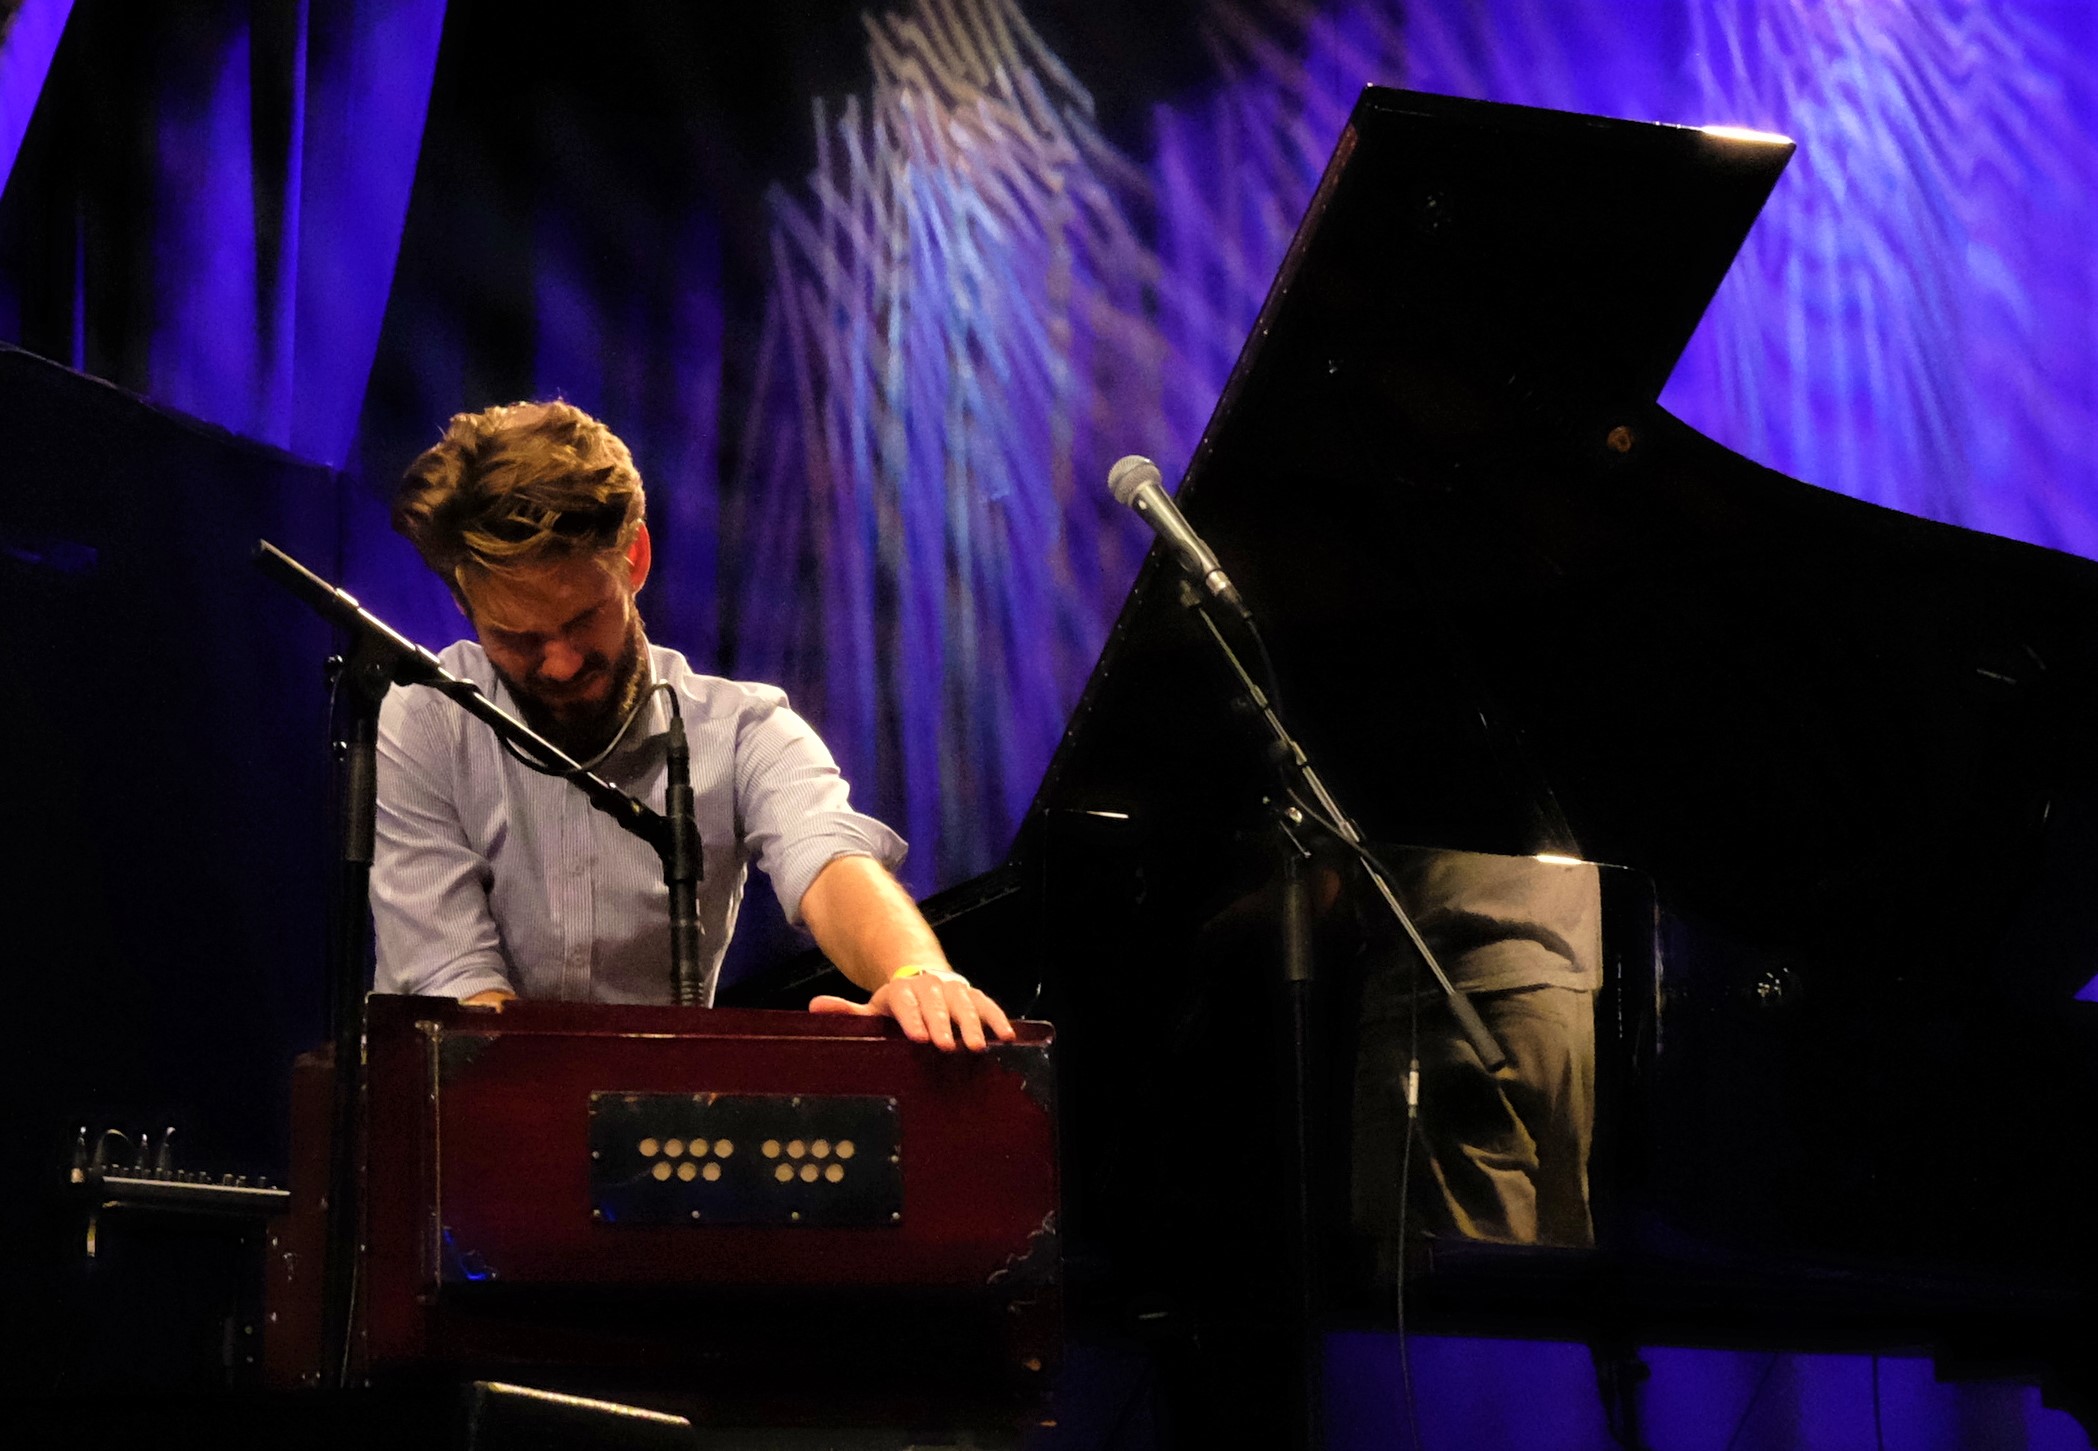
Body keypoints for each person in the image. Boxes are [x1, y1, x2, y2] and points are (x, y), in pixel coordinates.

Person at [371, 400, 1013, 1052]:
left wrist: (916, 974)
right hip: (465, 1104)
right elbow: (454, 985)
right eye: (518, 638)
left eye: (584, 619)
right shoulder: (426, 717)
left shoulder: (743, 731)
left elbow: (828, 856)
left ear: (635, 558)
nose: (561, 663)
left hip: (645, 1112)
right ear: (463, 600)